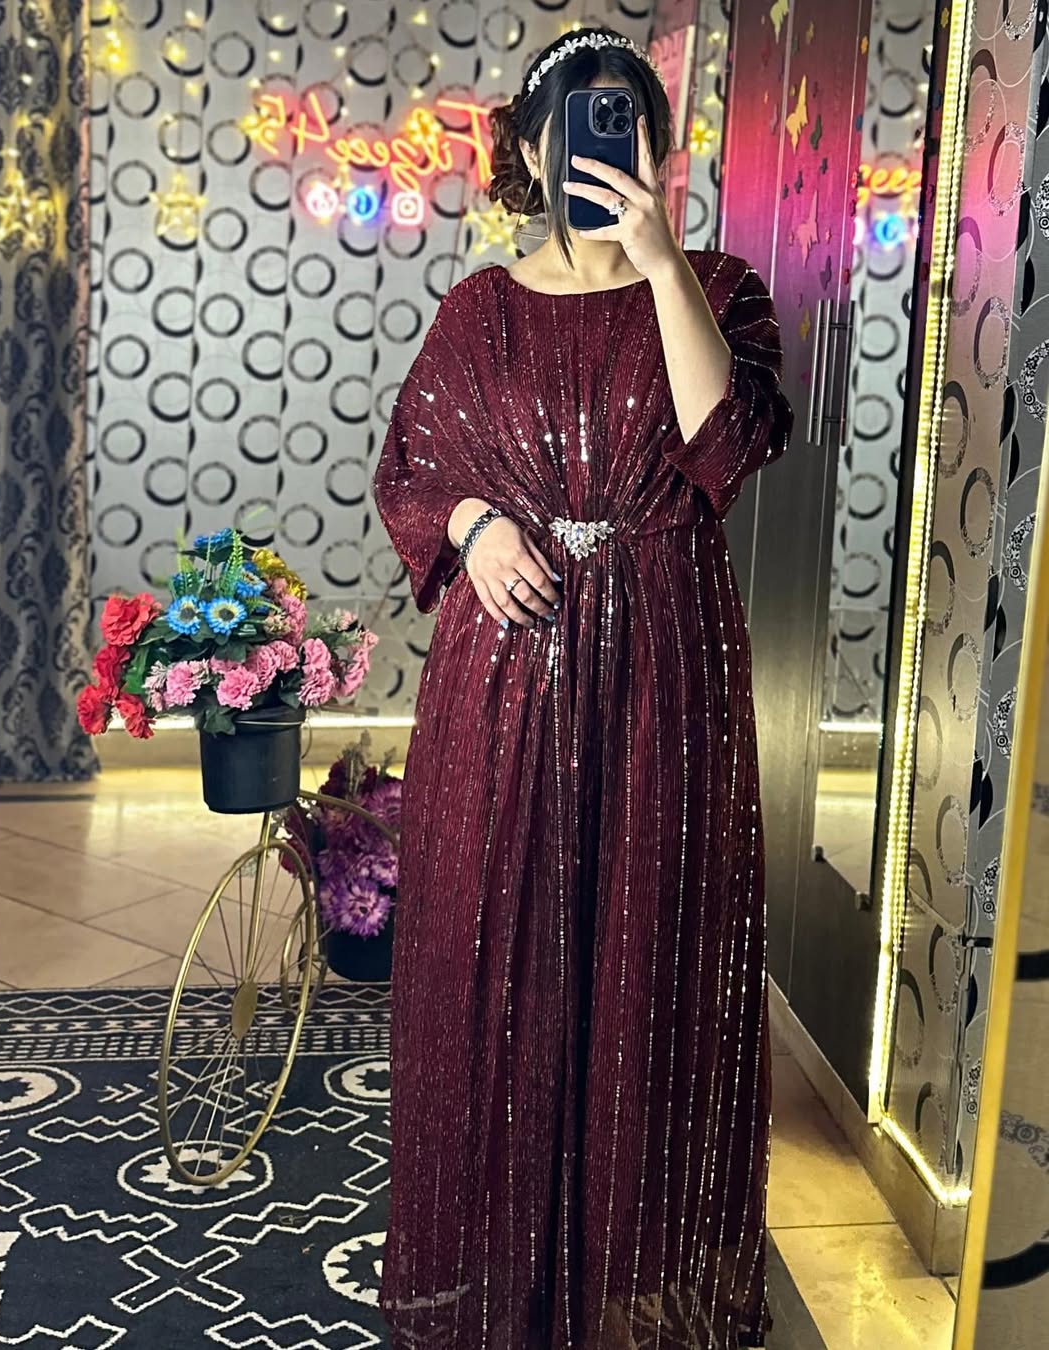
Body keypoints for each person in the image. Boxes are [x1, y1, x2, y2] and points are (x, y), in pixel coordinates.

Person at [373, 24, 793, 1350]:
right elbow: (411, 470)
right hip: (503, 685)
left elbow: (727, 447)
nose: (607, 147)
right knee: (492, 966)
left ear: (659, 149)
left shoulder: (717, 288)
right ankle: (501, 1274)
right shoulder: (480, 310)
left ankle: (631, 1283)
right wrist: (474, 526)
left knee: (650, 964)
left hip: (667, 674)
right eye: (582, 125)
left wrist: (660, 264)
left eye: (631, 124)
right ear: (536, 149)